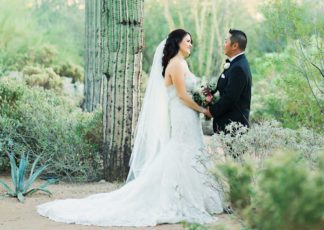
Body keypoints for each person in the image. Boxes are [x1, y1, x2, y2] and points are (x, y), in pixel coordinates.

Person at [37, 29, 223, 226]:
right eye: (187, 41)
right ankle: (180, 197)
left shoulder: (182, 63)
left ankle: (193, 196)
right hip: (182, 114)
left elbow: (191, 91)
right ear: (177, 42)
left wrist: (204, 95)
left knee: (191, 150)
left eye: (191, 41)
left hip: (188, 114)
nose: (190, 44)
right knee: (182, 150)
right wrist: (204, 110)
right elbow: (182, 96)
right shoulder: (176, 64)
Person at [206, 29, 252, 133]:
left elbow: (230, 98)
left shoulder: (238, 67)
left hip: (233, 127)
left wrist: (211, 111)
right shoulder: (236, 63)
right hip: (227, 125)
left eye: (226, 41)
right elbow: (221, 89)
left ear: (234, 46)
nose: (224, 44)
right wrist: (206, 96)